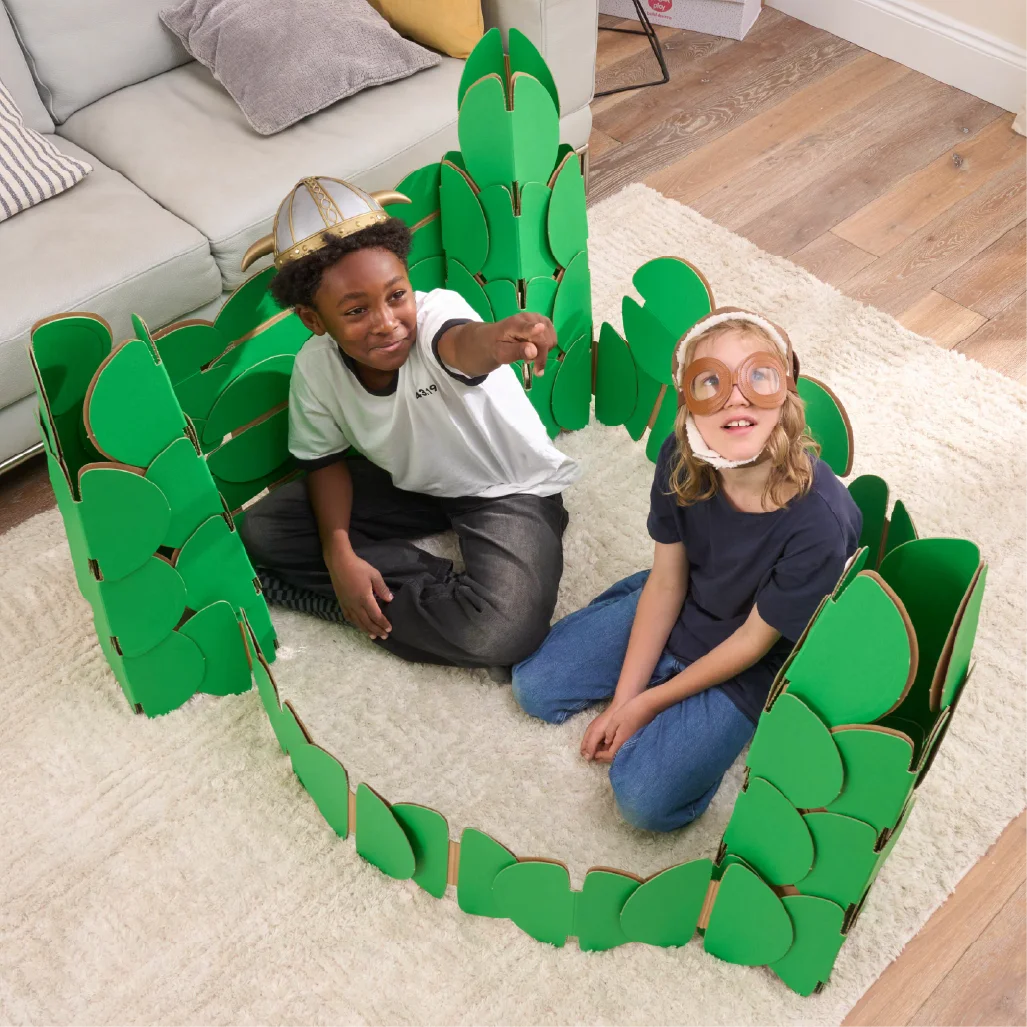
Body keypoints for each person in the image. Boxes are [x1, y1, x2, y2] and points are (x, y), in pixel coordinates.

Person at [511, 309, 862, 832]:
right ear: (688, 405)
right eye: (711, 383)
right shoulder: (679, 456)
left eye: (757, 376)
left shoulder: (823, 522)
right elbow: (668, 580)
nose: (736, 397)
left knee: (644, 802)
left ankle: (686, 708)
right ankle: (649, 660)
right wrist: (625, 699)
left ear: (786, 392)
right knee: (534, 688)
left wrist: (646, 706)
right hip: (684, 602)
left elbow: (752, 643)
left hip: (749, 660)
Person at [240, 177, 580, 672]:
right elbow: (323, 460)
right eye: (356, 311)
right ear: (315, 321)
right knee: (264, 527)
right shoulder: (315, 368)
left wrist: (502, 338)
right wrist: (338, 555)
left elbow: (464, 344)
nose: (386, 321)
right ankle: (365, 588)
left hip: (504, 484)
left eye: (396, 295)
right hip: (413, 481)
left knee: (502, 633)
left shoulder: (437, 314)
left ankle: (357, 603)